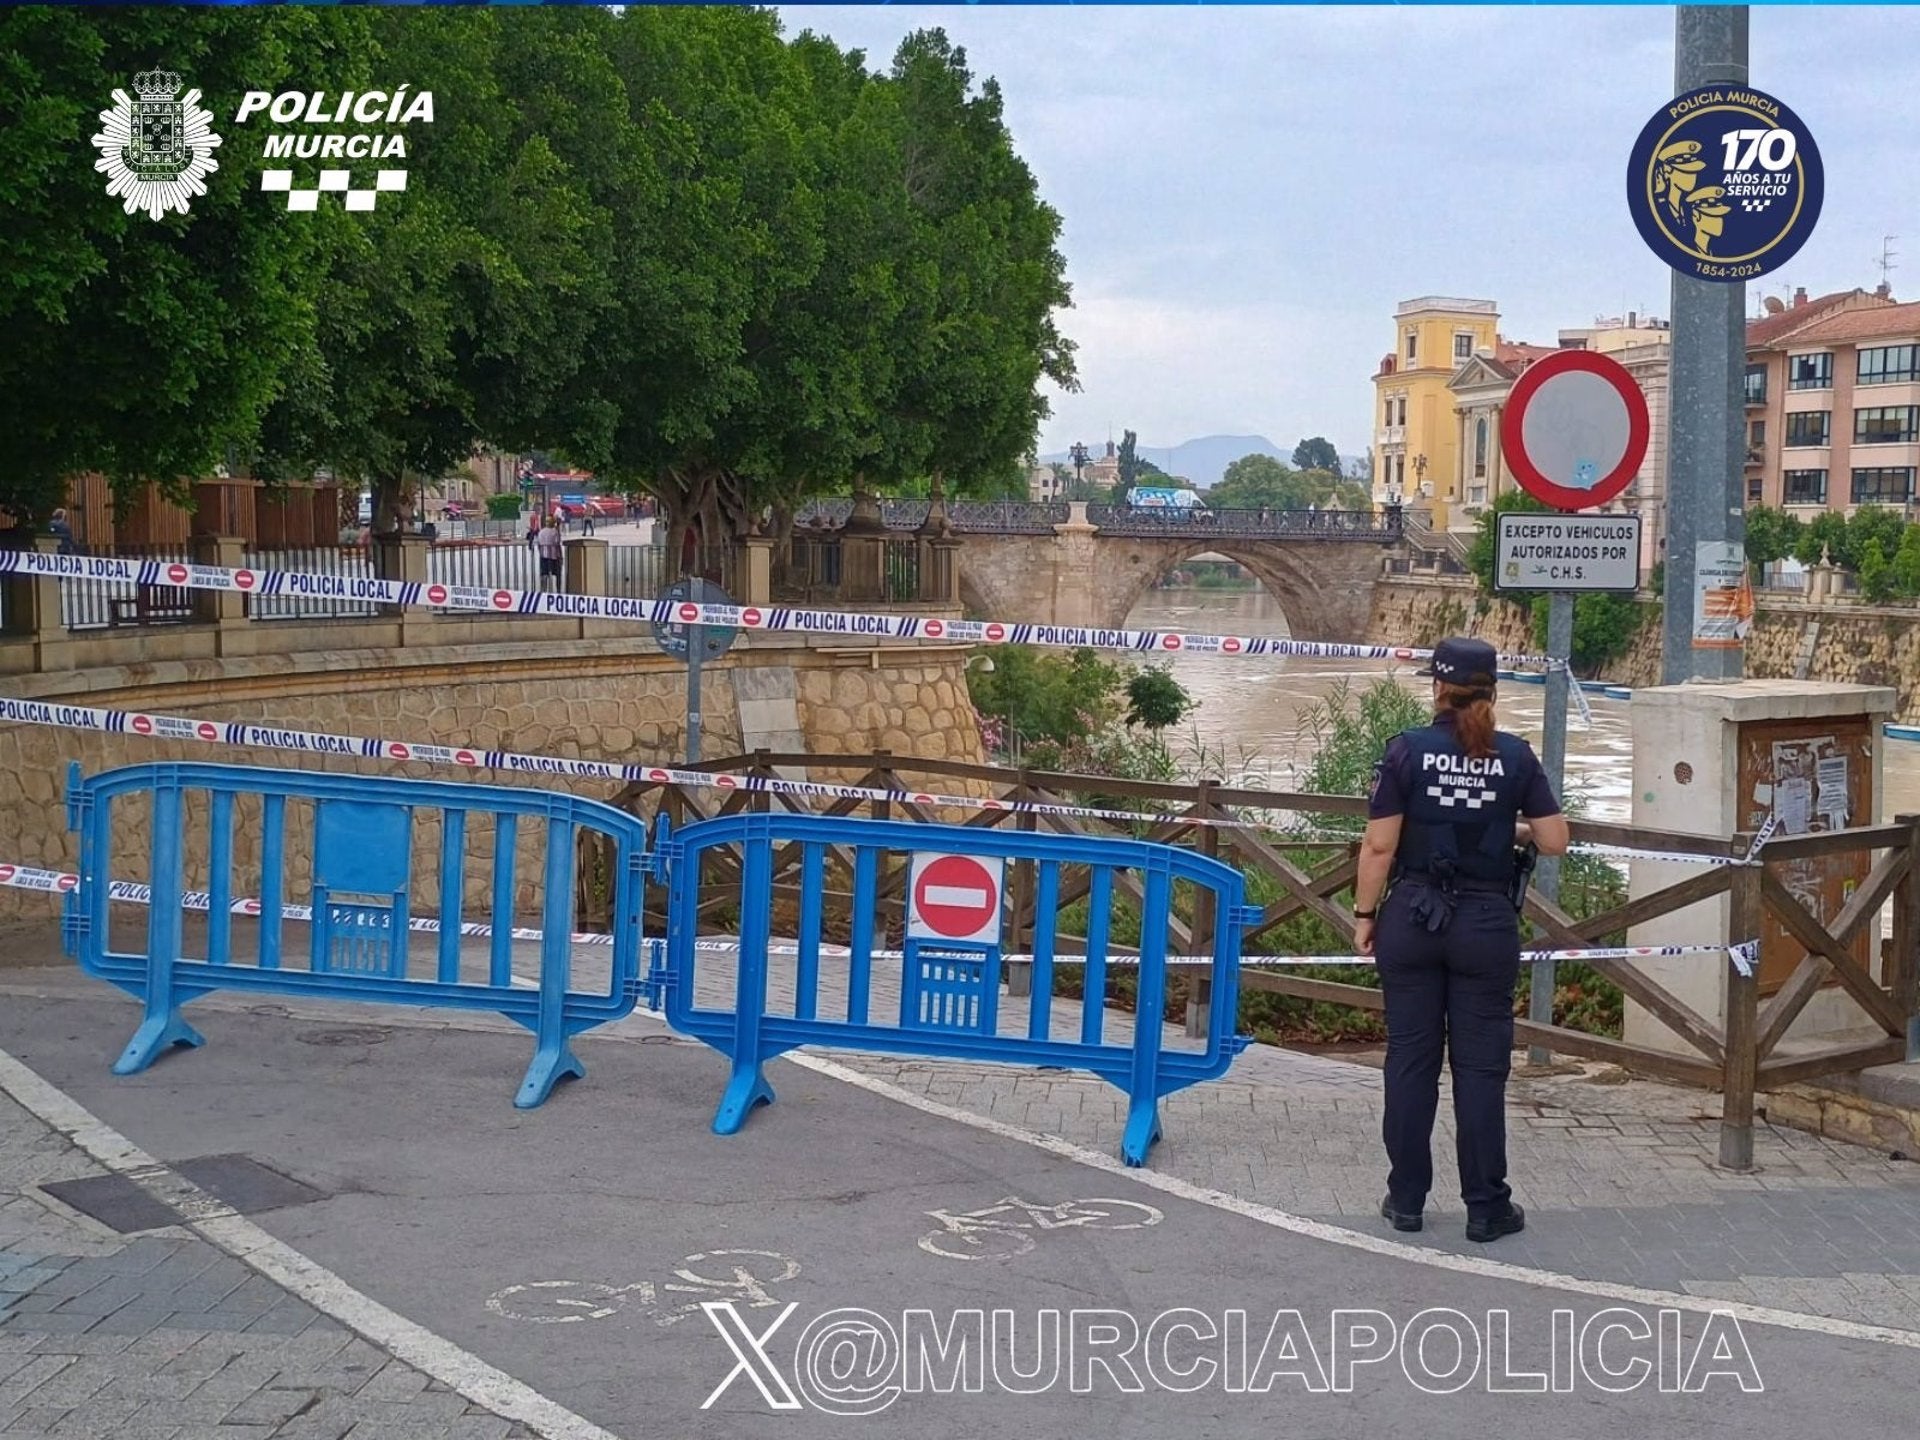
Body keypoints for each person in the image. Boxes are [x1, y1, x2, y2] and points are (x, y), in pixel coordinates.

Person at [1351, 637, 1569, 1244]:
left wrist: (1365, 915)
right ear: (1492, 691)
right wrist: (1508, 825)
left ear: (1437, 689)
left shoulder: (1405, 750)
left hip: (1413, 918)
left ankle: (1406, 1200)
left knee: (1410, 1061)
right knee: (1480, 1070)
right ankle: (1485, 1207)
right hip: (1484, 924)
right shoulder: (1515, 756)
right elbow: (1555, 841)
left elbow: (1379, 846)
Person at [535, 517, 564, 592]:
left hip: (543, 556)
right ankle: (558, 590)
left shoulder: (541, 532)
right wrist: (561, 556)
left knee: (544, 574)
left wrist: (541, 552)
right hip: (554, 556)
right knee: (558, 574)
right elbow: (557, 543)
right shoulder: (555, 532)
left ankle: (543, 590)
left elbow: (539, 544)